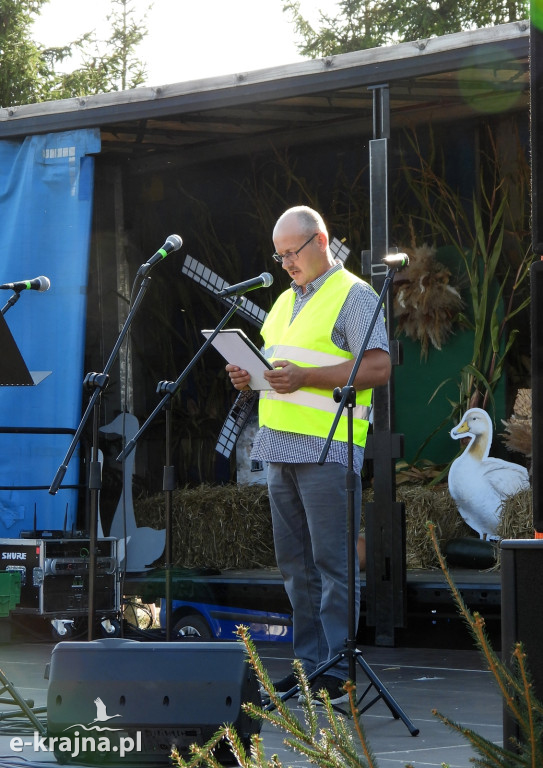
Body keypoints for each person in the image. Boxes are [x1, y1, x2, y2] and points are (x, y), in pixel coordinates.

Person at [226, 205, 390, 706]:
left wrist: (306, 377)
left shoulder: (355, 295)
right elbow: (275, 368)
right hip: (278, 449)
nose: (286, 264)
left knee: (333, 565)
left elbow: (380, 368)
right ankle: (308, 670)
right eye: (279, 257)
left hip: (329, 447)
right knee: (295, 566)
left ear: (320, 241)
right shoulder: (281, 302)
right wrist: (246, 377)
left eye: (291, 253)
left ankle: (338, 674)